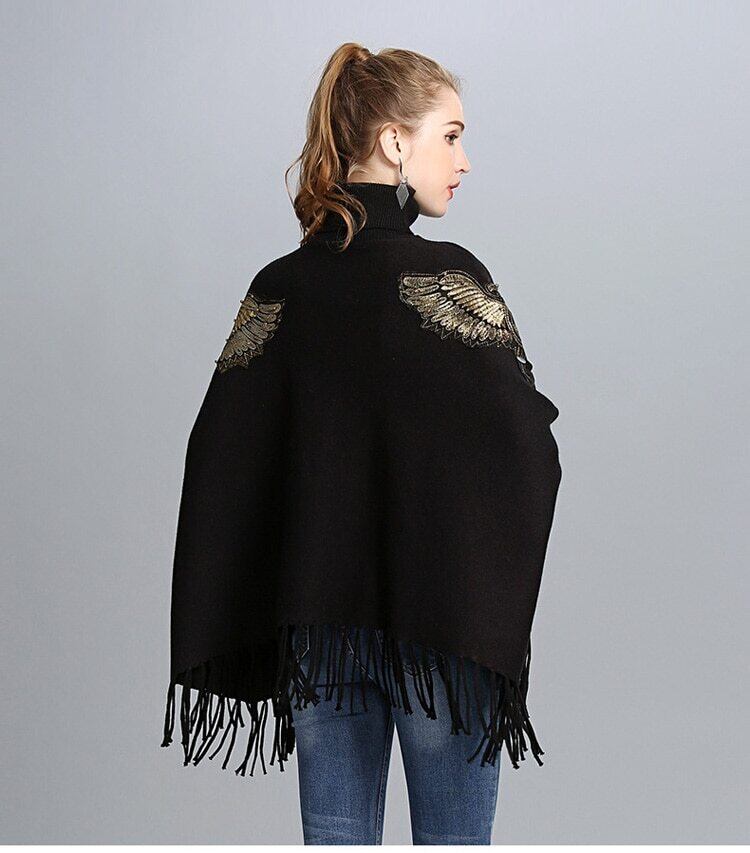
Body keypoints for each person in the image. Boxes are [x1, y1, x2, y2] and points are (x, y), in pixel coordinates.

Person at [160, 42, 562, 846]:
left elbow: (221, 457)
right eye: (451, 136)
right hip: (442, 628)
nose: (464, 160)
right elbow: (527, 445)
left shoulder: (282, 287)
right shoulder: (449, 275)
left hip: (322, 629)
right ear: (394, 142)